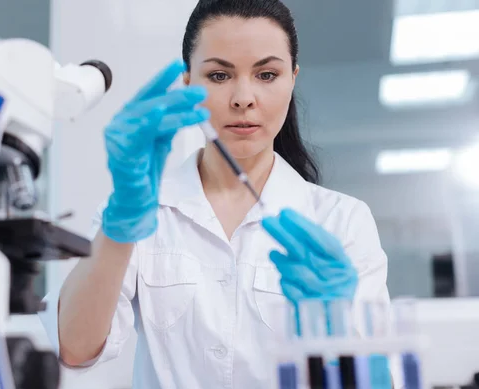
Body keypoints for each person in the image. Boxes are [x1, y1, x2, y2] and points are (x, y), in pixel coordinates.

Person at [40, 0, 394, 387]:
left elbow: (379, 381)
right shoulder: (139, 209)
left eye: (267, 74)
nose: (243, 97)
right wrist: (121, 223)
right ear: (189, 83)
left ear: (292, 79)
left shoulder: (341, 220)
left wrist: (341, 331)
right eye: (220, 76)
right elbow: (74, 348)